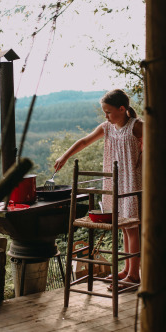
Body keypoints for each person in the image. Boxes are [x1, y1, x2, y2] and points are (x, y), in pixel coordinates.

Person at [54, 89, 142, 289]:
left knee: (132, 227)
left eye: (108, 112)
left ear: (122, 109)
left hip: (132, 182)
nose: (106, 116)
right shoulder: (107, 128)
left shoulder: (136, 126)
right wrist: (65, 156)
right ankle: (127, 270)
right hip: (115, 181)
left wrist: (145, 152)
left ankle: (134, 276)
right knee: (123, 227)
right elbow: (84, 141)